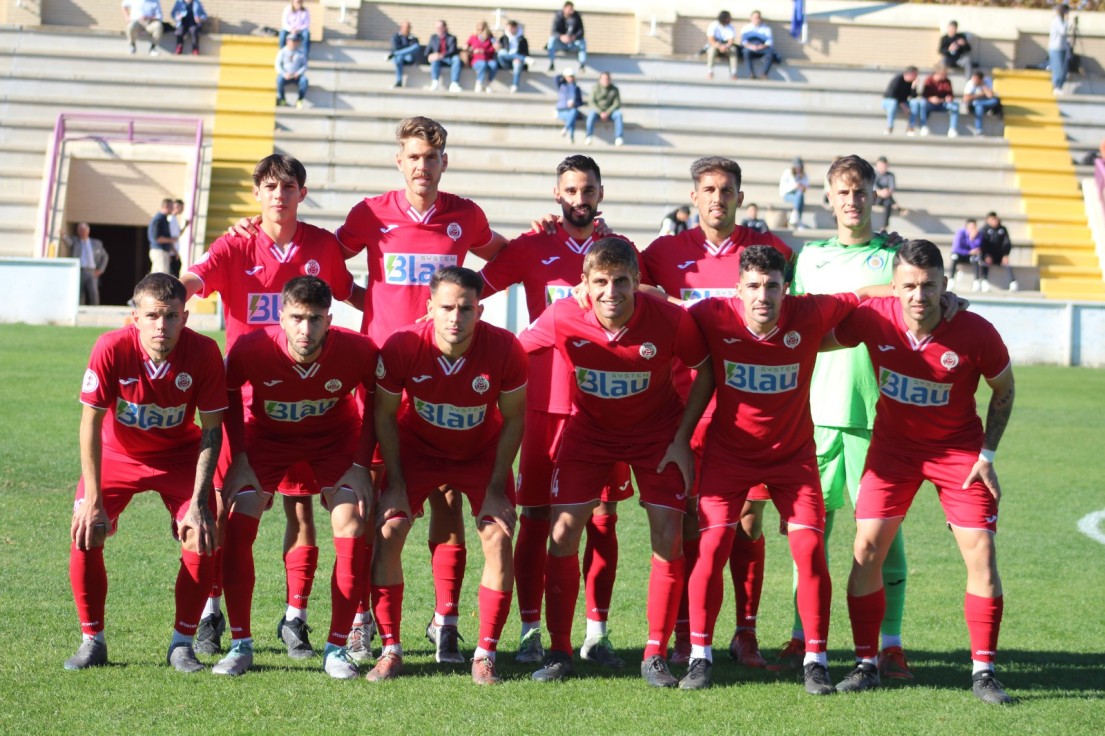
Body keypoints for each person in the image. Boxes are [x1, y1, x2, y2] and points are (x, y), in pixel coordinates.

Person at [334, 116, 510, 665]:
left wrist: (550, 235)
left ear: (443, 163)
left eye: (431, 158)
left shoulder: (465, 215)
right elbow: (323, 255)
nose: (422, 167)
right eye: (412, 156)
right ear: (399, 161)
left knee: (449, 498)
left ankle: (446, 620)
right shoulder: (369, 214)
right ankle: (363, 619)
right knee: (379, 501)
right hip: (389, 374)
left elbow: (502, 254)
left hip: (449, 367)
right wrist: (365, 302)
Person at [677, 245, 883, 693]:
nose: (762, 296)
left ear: (786, 289)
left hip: (793, 459)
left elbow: (865, 293)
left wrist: (928, 294)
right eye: (753, 286)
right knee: (711, 548)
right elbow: (657, 304)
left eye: (772, 286)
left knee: (810, 552)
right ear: (738, 289)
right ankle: (699, 657)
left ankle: (816, 660)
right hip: (728, 456)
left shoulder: (809, 312)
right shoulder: (711, 314)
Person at [183, 153, 356, 659]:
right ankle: (214, 612)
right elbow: (195, 279)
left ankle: (295, 617)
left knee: (301, 511)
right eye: (269, 186)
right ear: (256, 193)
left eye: (288, 186)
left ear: (302, 193)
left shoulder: (322, 245)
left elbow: (349, 293)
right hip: (243, 405)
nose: (279, 194)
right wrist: (169, 297)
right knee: (225, 508)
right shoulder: (235, 243)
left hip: (304, 402)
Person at [828, 239, 1016, 706]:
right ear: (893, 288)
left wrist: (987, 455)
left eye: (929, 285)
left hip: (959, 454)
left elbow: (1005, 389)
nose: (919, 295)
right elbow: (827, 326)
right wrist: (870, 295)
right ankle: (866, 664)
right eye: (908, 285)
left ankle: (984, 671)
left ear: (945, 286)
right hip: (893, 451)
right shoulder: (875, 317)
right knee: (866, 547)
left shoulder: (976, 332)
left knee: (981, 553)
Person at [520, 238, 709, 688]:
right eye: (600, 282)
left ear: (637, 282)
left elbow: (706, 367)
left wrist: (683, 438)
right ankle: (561, 650)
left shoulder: (668, 318)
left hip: (657, 435)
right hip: (589, 434)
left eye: (621, 281)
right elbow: (512, 350)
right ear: (583, 284)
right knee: (562, 532)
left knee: (668, 534)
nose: (611, 292)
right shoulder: (562, 314)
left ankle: (655, 653)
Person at [479, 155, 637, 667]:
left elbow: (654, 298)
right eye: (570, 190)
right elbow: (473, 291)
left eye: (588, 189)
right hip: (545, 403)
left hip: (606, 403)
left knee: (603, 520)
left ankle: (597, 632)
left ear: (601, 193)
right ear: (556, 194)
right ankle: (531, 631)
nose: (579, 198)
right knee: (537, 518)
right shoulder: (530, 246)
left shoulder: (619, 251)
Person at [769, 154, 917, 680]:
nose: (852, 201)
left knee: (880, 539)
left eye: (861, 191)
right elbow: (791, 323)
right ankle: (800, 636)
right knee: (808, 534)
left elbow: (920, 307)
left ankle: (892, 643)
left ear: (876, 195)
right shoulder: (808, 260)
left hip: (878, 418)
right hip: (812, 415)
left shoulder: (896, 257)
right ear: (827, 198)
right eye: (842, 192)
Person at [367, 266, 527, 685]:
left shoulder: (506, 349)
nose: (456, 317)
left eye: (466, 308)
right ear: (429, 309)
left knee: (498, 534)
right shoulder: (402, 345)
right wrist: (397, 485)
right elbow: (384, 414)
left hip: (480, 452)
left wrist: (495, 489)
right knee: (389, 528)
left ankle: (485, 654)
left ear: (481, 310)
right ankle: (390, 649)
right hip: (418, 450)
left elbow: (513, 421)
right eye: (447, 308)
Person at [212, 277, 377, 679]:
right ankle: (240, 644)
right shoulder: (252, 348)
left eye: (316, 319)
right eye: (298, 318)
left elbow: (377, 400)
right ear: (281, 317)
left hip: (334, 441)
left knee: (352, 521)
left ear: (330, 319)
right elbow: (230, 395)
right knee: (239, 517)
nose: (306, 329)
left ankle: (337, 649)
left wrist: (360, 464)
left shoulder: (357, 349)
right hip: (267, 440)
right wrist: (242, 458)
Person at [66, 273, 225, 672]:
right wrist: (93, 500)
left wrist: (201, 504)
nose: (162, 325)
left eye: (171, 316)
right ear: (134, 317)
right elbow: (89, 424)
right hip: (118, 455)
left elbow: (211, 431)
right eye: (153, 315)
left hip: (180, 456)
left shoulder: (204, 352)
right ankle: (92, 640)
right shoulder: (110, 347)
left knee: (201, 532)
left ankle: (182, 644)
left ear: (185, 317)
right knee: (88, 529)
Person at [66, 223, 110, 306]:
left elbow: (105, 256)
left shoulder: (96, 243)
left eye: (84, 230)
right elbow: (68, 242)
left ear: (88, 231)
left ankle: (95, 309)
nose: (82, 232)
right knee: (80, 292)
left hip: (92, 272)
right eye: (80, 230)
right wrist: (63, 236)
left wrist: (100, 270)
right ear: (78, 232)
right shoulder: (75, 242)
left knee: (93, 291)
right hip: (80, 271)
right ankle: (80, 308)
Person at [912, 65, 960, 138]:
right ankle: (923, 126)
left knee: (955, 105)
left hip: (943, 103)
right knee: (923, 103)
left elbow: (950, 94)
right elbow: (924, 95)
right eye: (944, 74)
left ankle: (952, 129)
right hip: (930, 104)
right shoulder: (929, 80)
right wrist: (930, 99)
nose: (946, 76)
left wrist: (948, 98)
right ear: (938, 73)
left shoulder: (947, 81)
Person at [585, 72, 624, 146]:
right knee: (591, 115)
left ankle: (619, 137)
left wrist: (608, 112)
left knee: (618, 114)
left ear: (610, 80)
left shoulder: (615, 89)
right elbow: (591, 102)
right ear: (600, 80)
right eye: (603, 79)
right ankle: (588, 136)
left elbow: (617, 103)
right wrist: (600, 112)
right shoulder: (595, 88)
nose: (605, 80)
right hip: (597, 112)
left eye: (607, 79)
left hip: (610, 113)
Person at [979, 211, 1015, 291]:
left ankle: (1013, 282)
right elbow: (982, 244)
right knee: (985, 263)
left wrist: (1005, 254)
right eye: (992, 219)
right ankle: (984, 281)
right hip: (987, 256)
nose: (994, 221)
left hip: (1000, 255)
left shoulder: (1002, 229)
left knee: (1007, 263)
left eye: (995, 219)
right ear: (988, 220)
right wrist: (986, 255)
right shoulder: (984, 230)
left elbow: (1007, 243)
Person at [426, 20, 463, 93]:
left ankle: (454, 83)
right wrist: (430, 56)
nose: (438, 29)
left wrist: (441, 55)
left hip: (449, 58)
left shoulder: (452, 38)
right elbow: (427, 51)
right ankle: (435, 82)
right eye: (437, 27)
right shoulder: (433, 38)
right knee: (435, 59)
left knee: (456, 59)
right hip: (438, 60)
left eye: (440, 27)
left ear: (445, 28)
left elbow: (452, 50)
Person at [548, 1, 586, 72]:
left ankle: (582, 65)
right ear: (564, 8)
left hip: (572, 43)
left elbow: (581, 31)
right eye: (569, 9)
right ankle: (551, 63)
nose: (571, 11)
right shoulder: (558, 17)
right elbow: (554, 31)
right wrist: (561, 37)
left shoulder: (576, 17)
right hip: (561, 43)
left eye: (572, 9)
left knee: (582, 42)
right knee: (551, 40)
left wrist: (573, 37)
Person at [962, 71, 1002, 137]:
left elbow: (990, 95)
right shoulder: (970, 84)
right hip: (973, 106)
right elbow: (966, 98)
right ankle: (979, 129)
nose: (974, 81)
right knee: (979, 107)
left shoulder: (986, 82)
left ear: (980, 80)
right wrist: (979, 95)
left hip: (984, 104)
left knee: (994, 101)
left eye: (976, 80)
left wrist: (983, 85)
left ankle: (978, 103)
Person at [882, 66, 918, 136]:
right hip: (889, 101)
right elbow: (892, 94)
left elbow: (913, 96)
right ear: (910, 74)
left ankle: (910, 127)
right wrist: (903, 105)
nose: (916, 76)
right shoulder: (898, 79)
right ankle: (890, 127)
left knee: (915, 103)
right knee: (893, 103)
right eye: (915, 75)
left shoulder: (912, 83)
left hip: (902, 102)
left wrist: (913, 87)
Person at [740, 10, 776, 80]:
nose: (757, 19)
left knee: (770, 53)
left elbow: (769, 42)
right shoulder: (746, 28)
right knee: (745, 52)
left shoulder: (766, 29)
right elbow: (744, 42)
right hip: (750, 48)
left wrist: (760, 47)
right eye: (755, 17)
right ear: (751, 18)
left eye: (758, 17)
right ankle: (751, 74)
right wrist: (751, 46)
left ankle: (764, 74)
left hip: (762, 48)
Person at [275, 35, 309, 108]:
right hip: (286, 75)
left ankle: (299, 100)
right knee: (279, 80)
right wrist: (284, 74)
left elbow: (304, 65)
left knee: (304, 81)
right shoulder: (282, 52)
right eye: (292, 41)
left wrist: (298, 73)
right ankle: (282, 99)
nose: (294, 43)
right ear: (287, 41)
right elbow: (278, 64)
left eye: (296, 41)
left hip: (296, 75)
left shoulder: (301, 52)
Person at [705, 10, 739, 80]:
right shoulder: (713, 25)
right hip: (716, 45)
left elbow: (731, 40)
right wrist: (719, 46)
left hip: (726, 46)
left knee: (733, 50)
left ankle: (733, 73)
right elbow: (711, 40)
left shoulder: (730, 27)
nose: (730, 20)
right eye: (728, 18)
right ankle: (710, 72)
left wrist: (726, 46)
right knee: (711, 51)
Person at [497, 19, 529, 93]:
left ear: (516, 28)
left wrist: (518, 58)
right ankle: (523, 59)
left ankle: (515, 85)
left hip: (516, 62)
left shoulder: (522, 40)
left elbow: (525, 52)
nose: (510, 30)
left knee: (517, 63)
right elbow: (500, 52)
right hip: (505, 62)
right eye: (508, 28)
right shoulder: (503, 38)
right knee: (502, 52)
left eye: (511, 28)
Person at [948, 218, 982, 287]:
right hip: (960, 255)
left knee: (976, 258)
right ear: (966, 227)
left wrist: (971, 239)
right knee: (954, 257)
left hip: (970, 257)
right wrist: (968, 252)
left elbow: (977, 249)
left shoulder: (978, 234)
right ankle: (951, 280)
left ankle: (976, 282)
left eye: (974, 227)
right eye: (970, 227)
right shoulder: (960, 233)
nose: (972, 228)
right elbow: (956, 249)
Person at [466, 21, 499, 93]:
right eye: (478, 29)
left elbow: (494, 48)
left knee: (494, 65)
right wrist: (473, 50)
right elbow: (466, 47)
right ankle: (479, 83)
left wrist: (484, 51)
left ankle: (487, 83)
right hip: (477, 59)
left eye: (481, 30)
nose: (479, 32)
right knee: (482, 64)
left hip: (488, 58)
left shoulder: (491, 38)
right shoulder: (473, 37)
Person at [779, 158, 809, 230]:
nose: (798, 169)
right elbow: (783, 188)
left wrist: (802, 187)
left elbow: (806, 186)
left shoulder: (804, 175)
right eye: (796, 167)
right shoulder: (787, 173)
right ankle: (799, 220)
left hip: (798, 194)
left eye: (799, 167)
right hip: (787, 195)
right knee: (799, 196)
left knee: (800, 195)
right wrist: (794, 187)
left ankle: (795, 216)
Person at [1049, 4, 1073, 94]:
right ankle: (1056, 86)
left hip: (1063, 48)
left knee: (1064, 68)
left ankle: (1060, 86)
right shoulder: (1057, 21)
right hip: (1056, 48)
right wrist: (1068, 21)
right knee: (1058, 67)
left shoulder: (1062, 21)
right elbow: (1063, 31)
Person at [556, 69, 584, 144]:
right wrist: (563, 75)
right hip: (561, 110)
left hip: (571, 110)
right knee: (572, 117)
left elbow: (580, 102)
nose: (570, 78)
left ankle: (566, 128)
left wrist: (574, 104)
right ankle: (571, 136)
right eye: (568, 76)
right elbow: (556, 78)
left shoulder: (576, 88)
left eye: (572, 76)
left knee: (573, 113)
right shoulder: (561, 85)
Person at [389, 21, 421, 88]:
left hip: (408, 58)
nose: (408, 29)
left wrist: (397, 53)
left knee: (416, 47)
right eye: (406, 28)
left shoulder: (412, 38)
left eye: (409, 28)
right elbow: (396, 48)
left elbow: (415, 48)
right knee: (399, 58)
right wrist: (401, 52)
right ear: (401, 28)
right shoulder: (395, 37)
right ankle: (399, 80)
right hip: (399, 58)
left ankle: (394, 54)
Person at [148, 198, 175, 274]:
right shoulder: (159, 219)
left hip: (162, 251)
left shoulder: (163, 219)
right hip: (159, 251)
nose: (173, 209)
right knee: (162, 277)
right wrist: (171, 240)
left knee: (156, 277)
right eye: (171, 207)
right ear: (166, 206)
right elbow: (157, 238)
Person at [873, 157, 896, 230]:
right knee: (889, 201)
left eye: (884, 166)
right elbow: (873, 187)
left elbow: (892, 188)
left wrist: (886, 192)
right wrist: (880, 192)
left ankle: (884, 226)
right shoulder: (873, 175)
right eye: (880, 166)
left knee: (888, 202)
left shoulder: (890, 175)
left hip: (886, 197)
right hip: (876, 197)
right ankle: (896, 205)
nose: (882, 168)